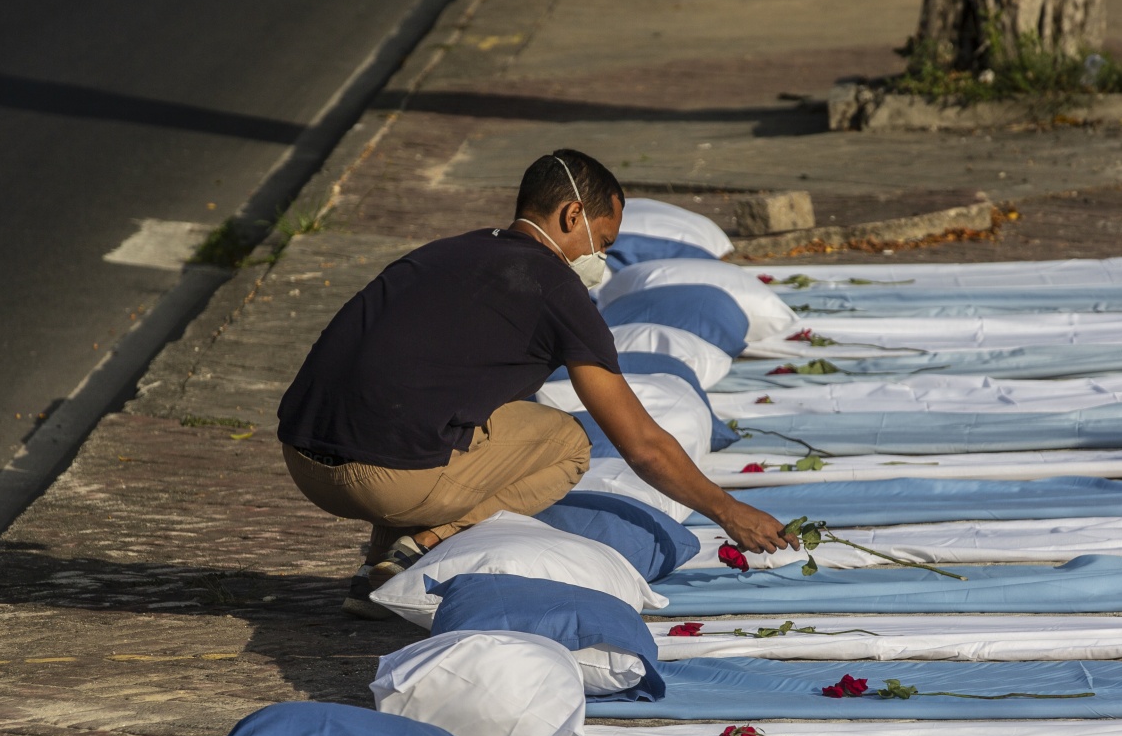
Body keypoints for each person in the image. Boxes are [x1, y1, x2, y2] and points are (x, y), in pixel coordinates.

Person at [276, 149, 795, 618]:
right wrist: (730, 511)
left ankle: (373, 577)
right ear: (573, 216)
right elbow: (643, 445)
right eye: (605, 241)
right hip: (383, 483)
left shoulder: (443, 252)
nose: (603, 258)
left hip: (302, 458)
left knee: (438, 408)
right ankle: (426, 542)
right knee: (568, 442)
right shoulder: (556, 288)